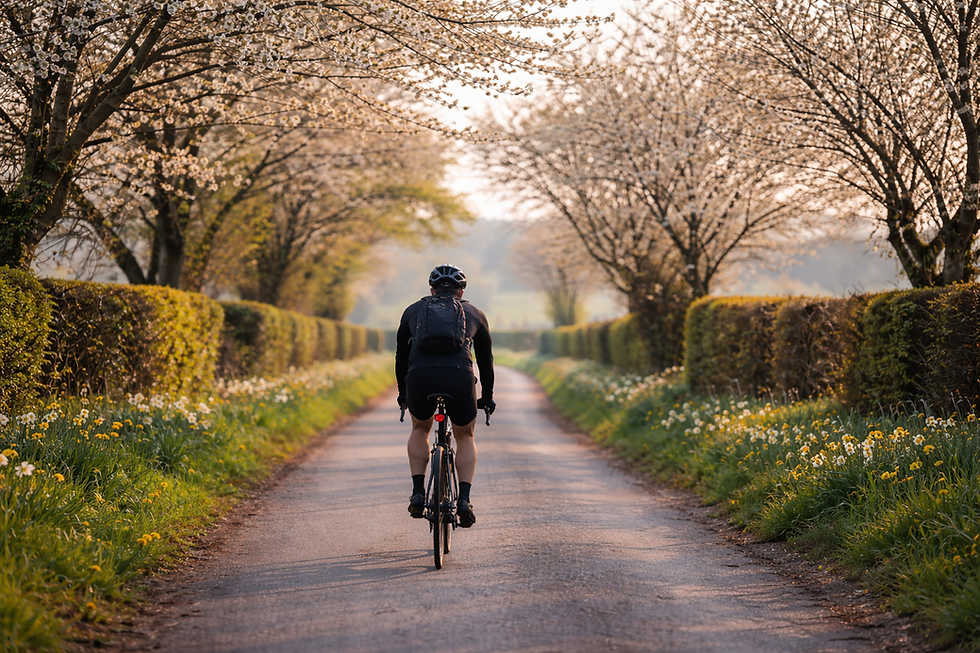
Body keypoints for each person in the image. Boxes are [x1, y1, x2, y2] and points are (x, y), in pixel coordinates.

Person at [395, 263, 495, 528]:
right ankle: (464, 500)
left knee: (420, 428)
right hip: (459, 378)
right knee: (465, 435)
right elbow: (486, 362)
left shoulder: (413, 310)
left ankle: (418, 493)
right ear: (461, 292)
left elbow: (401, 357)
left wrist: (403, 394)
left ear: (432, 290)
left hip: (420, 378)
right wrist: (487, 397)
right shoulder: (475, 313)